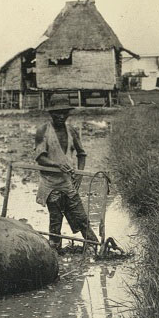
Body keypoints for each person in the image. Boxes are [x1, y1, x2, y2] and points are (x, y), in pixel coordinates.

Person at [34, 101, 99, 252]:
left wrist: (80, 176)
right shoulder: (43, 130)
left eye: (64, 113)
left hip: (67, 183)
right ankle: (56, 254)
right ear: (51, 114)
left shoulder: (71, 131)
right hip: (50, 184)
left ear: (68, 114)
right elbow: (40, 158)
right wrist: (57, 165)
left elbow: (81, 154)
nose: (61, 116)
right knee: (55, 221)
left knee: (82, 218)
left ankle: (96, 248)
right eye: (57, 113)